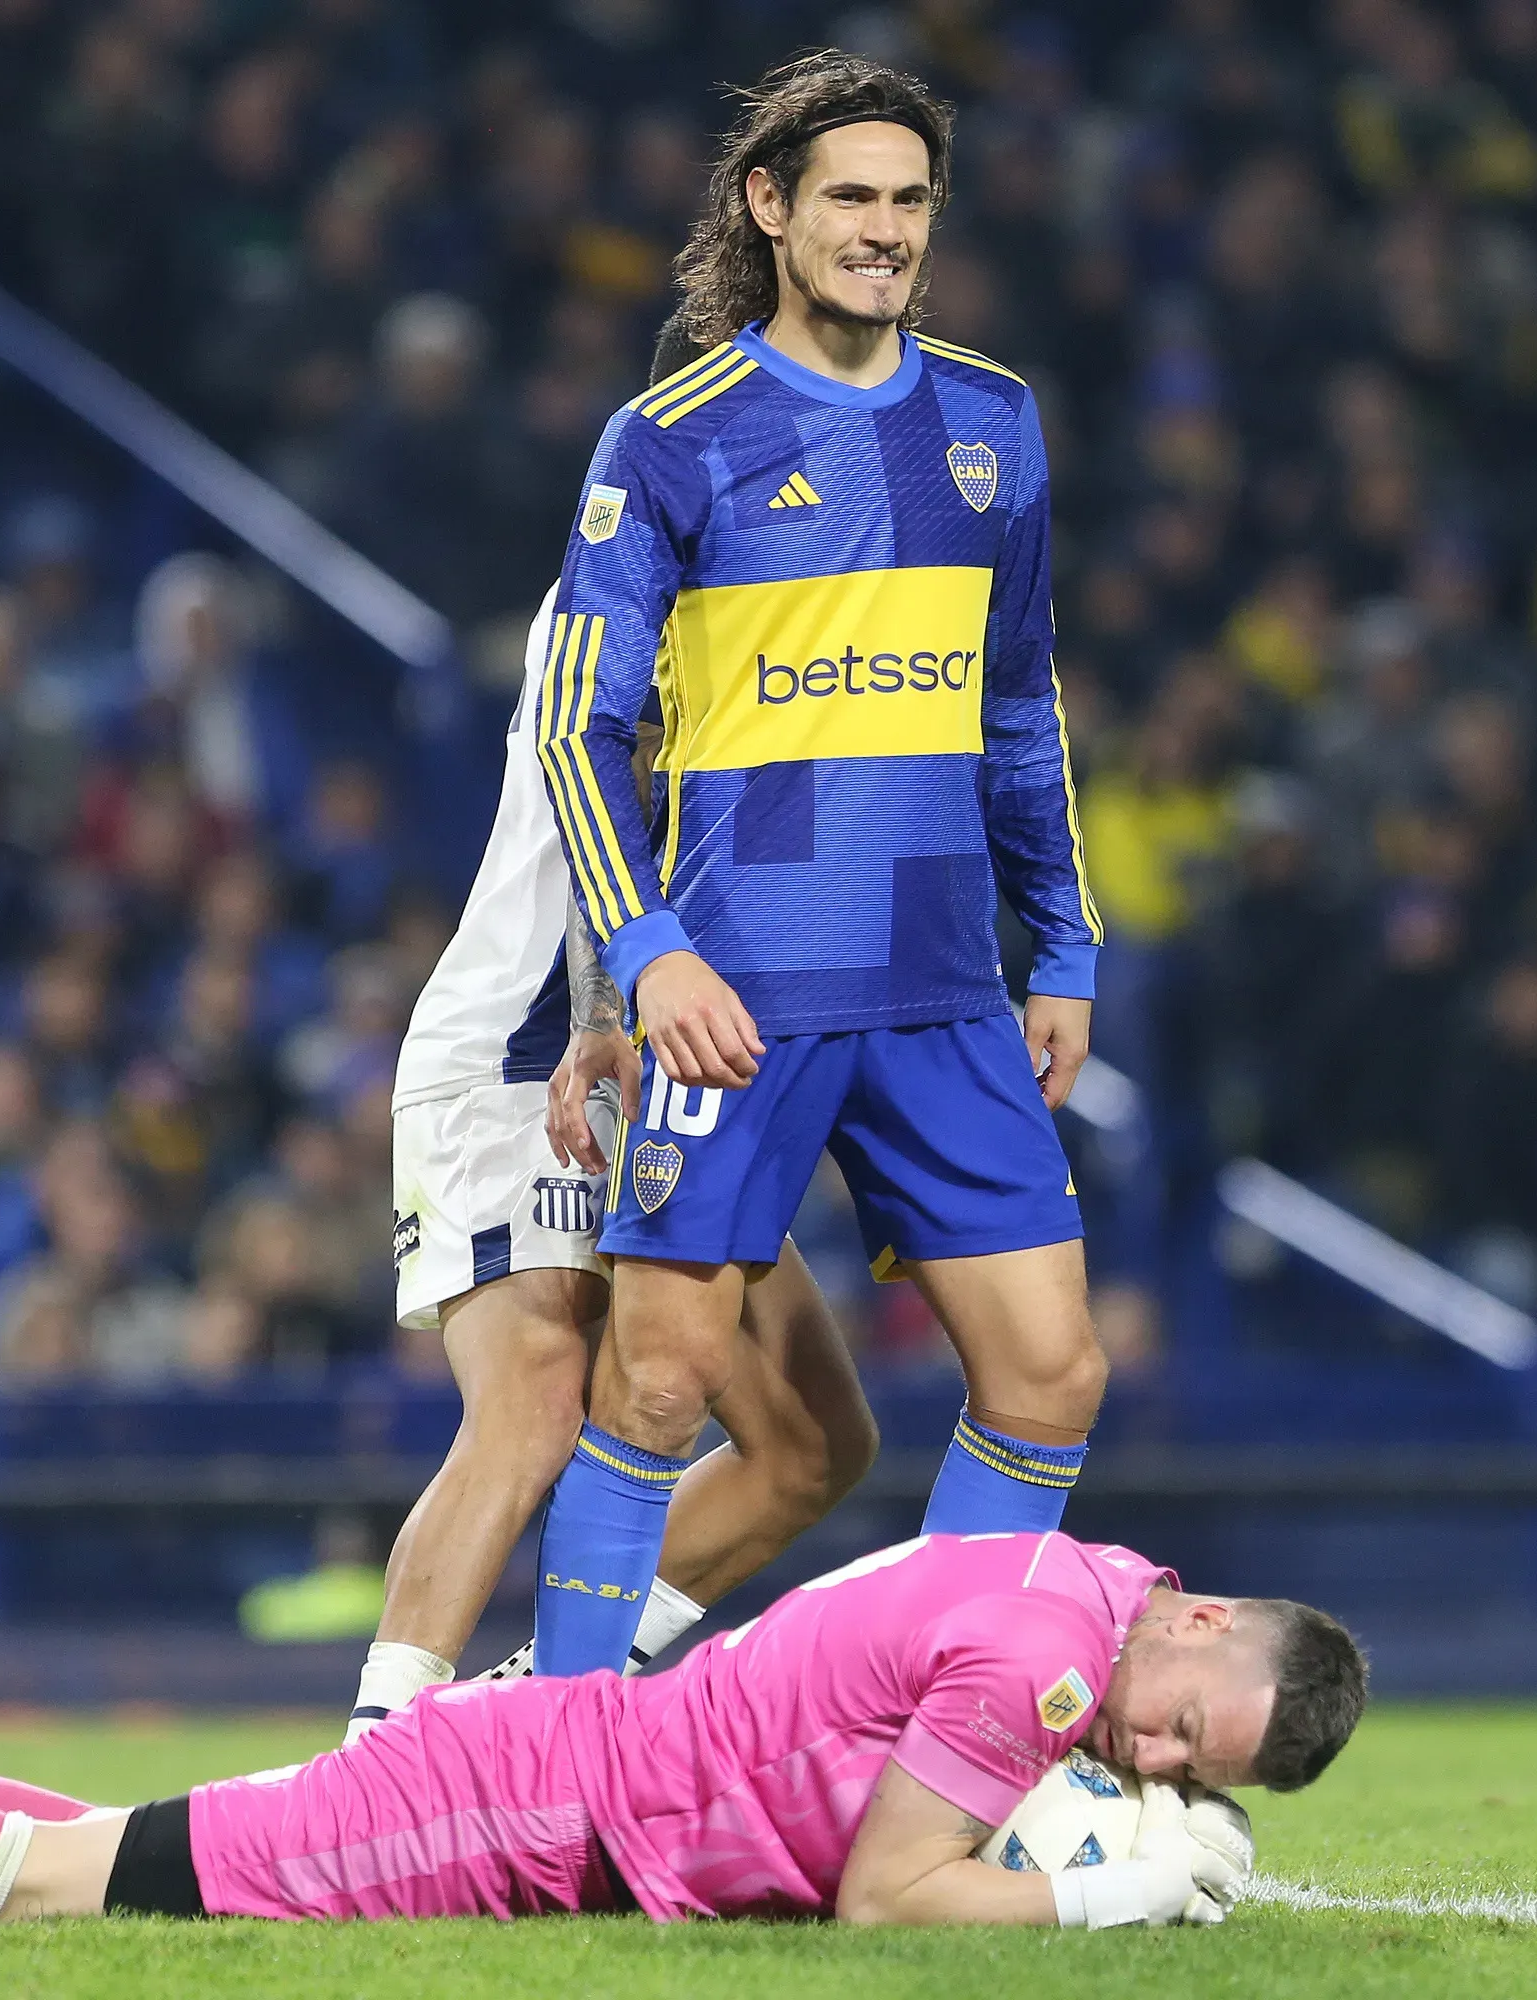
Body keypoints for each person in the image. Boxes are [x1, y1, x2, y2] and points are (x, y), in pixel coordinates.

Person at [529, 52, 1106, 1676]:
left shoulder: (993, 420)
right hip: (741, 986)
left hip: (942, 981)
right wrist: (645, 955)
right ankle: (556, 1748)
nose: (885, 229)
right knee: (657, 1381)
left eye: (910, 200)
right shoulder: (672, 437)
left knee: (1052, 1376)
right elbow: (581, 729)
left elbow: (1017, 704)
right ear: (770, 207)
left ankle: (933, 1716)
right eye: (852, 196)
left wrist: (1063, 944)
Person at [0, 1532, 1364, 1932]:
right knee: (49, 1885)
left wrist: (1109, 1819)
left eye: (1192, 1768)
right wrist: (1102, 1897)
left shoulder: (1092, 1581)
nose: (1155, 1761)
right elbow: (887, 1899)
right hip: (530, 1809)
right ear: (1196, 1622)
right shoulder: (1050, 1665)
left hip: (559, 1757)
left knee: (118, 1834)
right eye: (1184, 1729)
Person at [366, 556, 875, 1737]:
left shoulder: (813, 582)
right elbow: (619, 797)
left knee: (812, 1444)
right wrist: (606, 1010)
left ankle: (520, 1715)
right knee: (535, 1398)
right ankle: (372, 1760)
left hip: (675, 1073)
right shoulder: (630, 571)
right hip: (532, 1045)